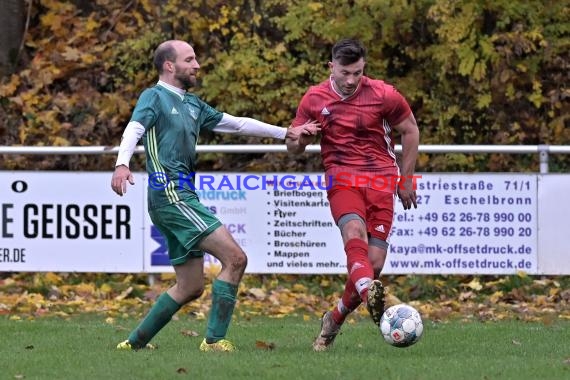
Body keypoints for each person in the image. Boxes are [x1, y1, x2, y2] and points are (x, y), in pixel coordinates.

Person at [111, 40, 319, 352]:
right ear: (169, 66)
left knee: (190, 286)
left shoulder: (193, 104)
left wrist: (286, 132)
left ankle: (133, 344)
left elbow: (237, 125)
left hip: (177, 196)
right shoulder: (153, 96)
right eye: (189, 59)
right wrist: (122, 164)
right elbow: (134, 129)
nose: (197, 65)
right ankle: (214, 341)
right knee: (236, 258)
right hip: (170, 194)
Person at [286, 38, 420, 351]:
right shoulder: (314, 98)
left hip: (381, 182)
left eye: (357, 73)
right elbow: (293, 145)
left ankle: (334, 318)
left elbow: (410, 129)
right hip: (341, 178)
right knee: (353, 232)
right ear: (331, 66)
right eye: (345, 72)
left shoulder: (384, 94)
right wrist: (301, 137)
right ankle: (370, 297)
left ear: (364, 68)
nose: (350, 80)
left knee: (373, 263)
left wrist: (407, 179)